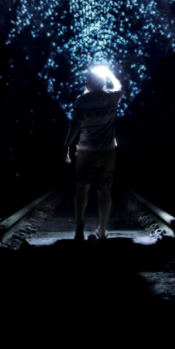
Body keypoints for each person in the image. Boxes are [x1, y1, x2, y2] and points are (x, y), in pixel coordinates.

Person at [63, 66, 125, 241]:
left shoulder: (82, 100)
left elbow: (75, 124)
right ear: (103, 82)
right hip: (107, 152)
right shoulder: (112, 98)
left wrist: (66, 146)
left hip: (85, 151)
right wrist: (109, 72)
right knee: (104, 191)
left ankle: (79, 225)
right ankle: (103, 230)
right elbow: (120, 87)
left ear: (88, 84)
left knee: (81, 187)